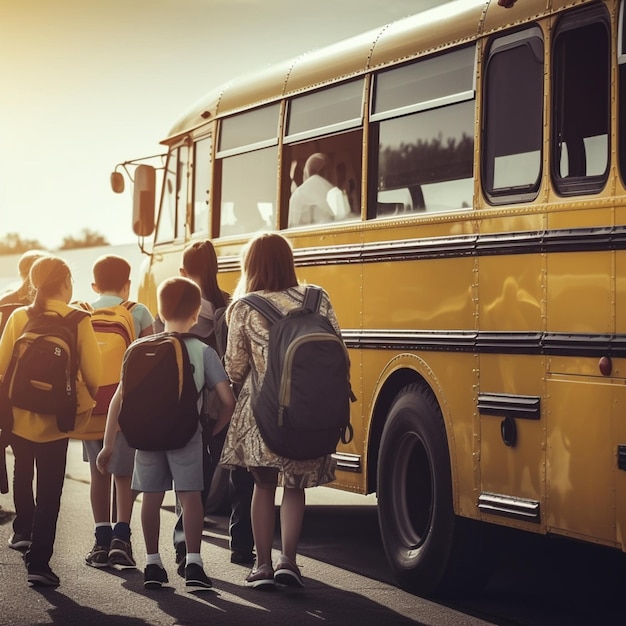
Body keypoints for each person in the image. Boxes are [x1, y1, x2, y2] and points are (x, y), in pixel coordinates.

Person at [97, 276, 236, 589]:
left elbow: (118, 400)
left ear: (159, 313)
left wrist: (108, 445)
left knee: (150, 498)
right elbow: (228, 401)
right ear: (195, 315)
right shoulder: (203, 351)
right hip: (187, 437)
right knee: (190, 499)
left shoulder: (138, 348)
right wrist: (212, 430)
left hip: (146, 439)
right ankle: (194, 565)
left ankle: (152, 563)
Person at [219, 232, 338, 589]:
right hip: (308, 410)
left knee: (263, 485)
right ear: (289, 261)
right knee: (296, 487)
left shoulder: (244, 306)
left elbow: (235, 368)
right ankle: (289, 560)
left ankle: (262, 565)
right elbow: (337, 350)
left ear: (250, 266)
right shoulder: (318, 298)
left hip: (262, 413)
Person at [0, 255, 102, 587]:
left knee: (22, 470)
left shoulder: (19, 316)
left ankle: (22, 533)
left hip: (18, 416)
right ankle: (40, 562)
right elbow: (95, 376)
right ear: (67, 283)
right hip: (57, 420)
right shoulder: (79, 319)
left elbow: (2, 369)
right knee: (50, 489)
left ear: (34, 283)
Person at [155, 240, 254, 571]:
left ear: (184, 270)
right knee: (239, 474)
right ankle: (242, 544)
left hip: (191, 408)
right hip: (227, 402)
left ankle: (184, 548)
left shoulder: (181, 306)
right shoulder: (229, 303)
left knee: (190, 485)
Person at [82, 254, 154, 569]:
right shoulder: (137, 311)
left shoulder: (82, 312)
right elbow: (153, 356)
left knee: (98, 474)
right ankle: (121, 539)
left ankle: (100, 539)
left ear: (94, 285)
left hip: (90, 408)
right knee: (123, 475)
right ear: (128, 284)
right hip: (126, 409)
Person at [0, 249, 48, 546]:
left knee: (21, 463)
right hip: (48, 395)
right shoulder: (57, 309)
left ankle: (22, 529)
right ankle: (41, 531)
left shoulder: (7, 305)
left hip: (11, 393)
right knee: (47, 466)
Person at [288, 153, 348, 227]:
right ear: (327, 173)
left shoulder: (297, 195)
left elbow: (292, 225)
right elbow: (344, 219)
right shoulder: (335, 193)